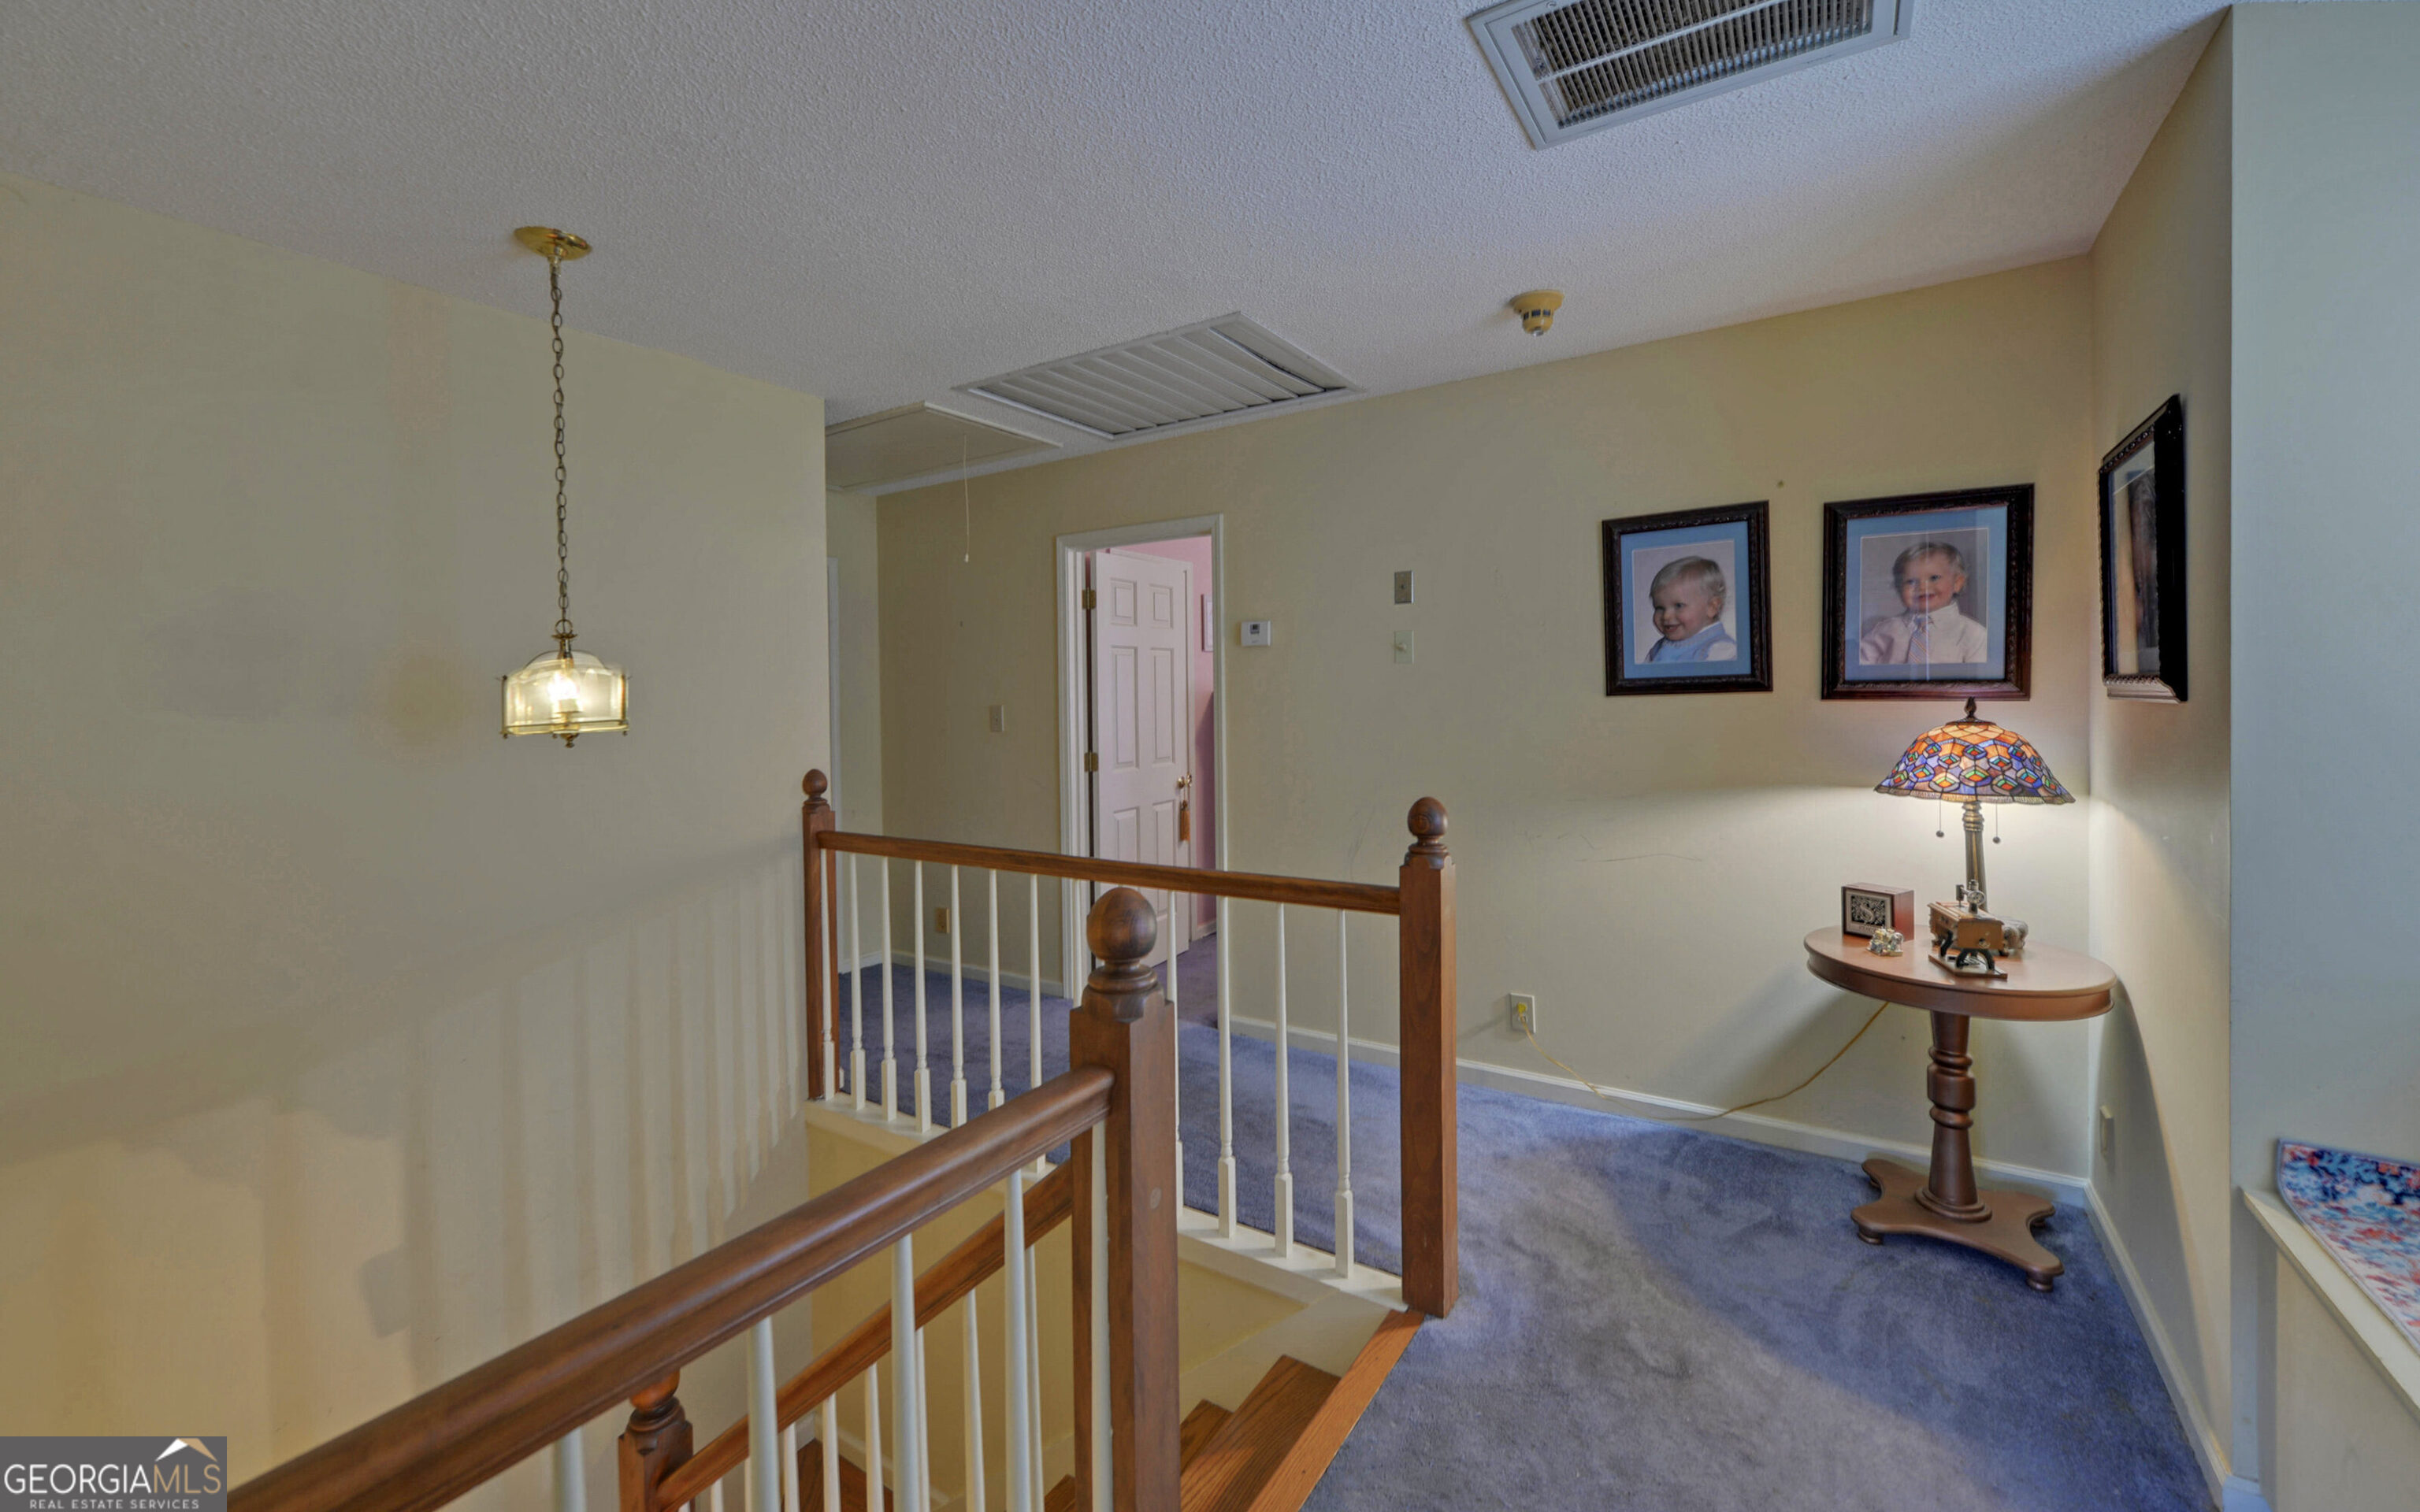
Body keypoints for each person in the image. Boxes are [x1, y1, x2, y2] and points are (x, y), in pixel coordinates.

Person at [1859, 542, 1987, 665]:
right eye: (1911, 581)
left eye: (1934, 578)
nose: (1922, 587)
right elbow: (1858, 667)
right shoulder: (1885, 630)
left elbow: (1979, 677)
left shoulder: (1973, 634)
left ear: (1957, 583)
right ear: (1899, 587)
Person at [1643, 556, 1737, 662]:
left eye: (1679, 606)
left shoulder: (1721, 650)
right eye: (1659, 608)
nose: (1666, 616)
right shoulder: (1657, 649)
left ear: (1712, 607)